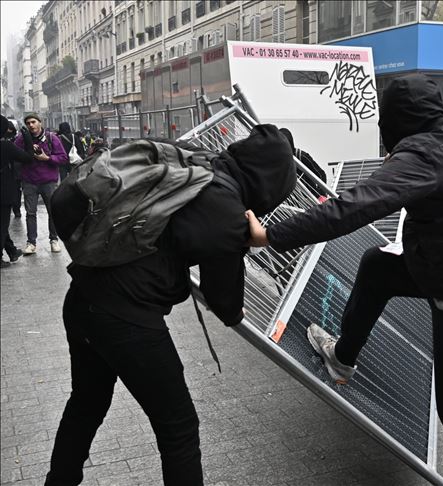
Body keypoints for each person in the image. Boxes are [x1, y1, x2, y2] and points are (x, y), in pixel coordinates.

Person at [246, 74, 443, 486]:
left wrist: (270, 235)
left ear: (397, 121)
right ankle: (342, 359)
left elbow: (352, 208)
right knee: (379, 266)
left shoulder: (426, 154)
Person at [45, 125, 298, 486]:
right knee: (178, 427)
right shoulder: (228, 209)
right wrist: (246, 242)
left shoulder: (198, 166)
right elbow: (224, 303)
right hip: (127, 319)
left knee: (86, 401)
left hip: (83, 298)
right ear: (270, 184)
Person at [13, 113, 68, 255]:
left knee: (52, 212)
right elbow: (15, 156)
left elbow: (63, 158)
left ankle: (54, 240)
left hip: (48, 181)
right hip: (29, 181)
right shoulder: (21, 139)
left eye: (33, 122)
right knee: (30, 213)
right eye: (28, 123)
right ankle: (31, 243)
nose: (31, 125)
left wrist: (47, 158)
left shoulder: (52, 138)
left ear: (40, 122)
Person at [1, 115, 30, 268]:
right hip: (4, 191)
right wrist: (27, 138)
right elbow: (28, 157)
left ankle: (11, 251)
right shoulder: (6, 146)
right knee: (2, 225)